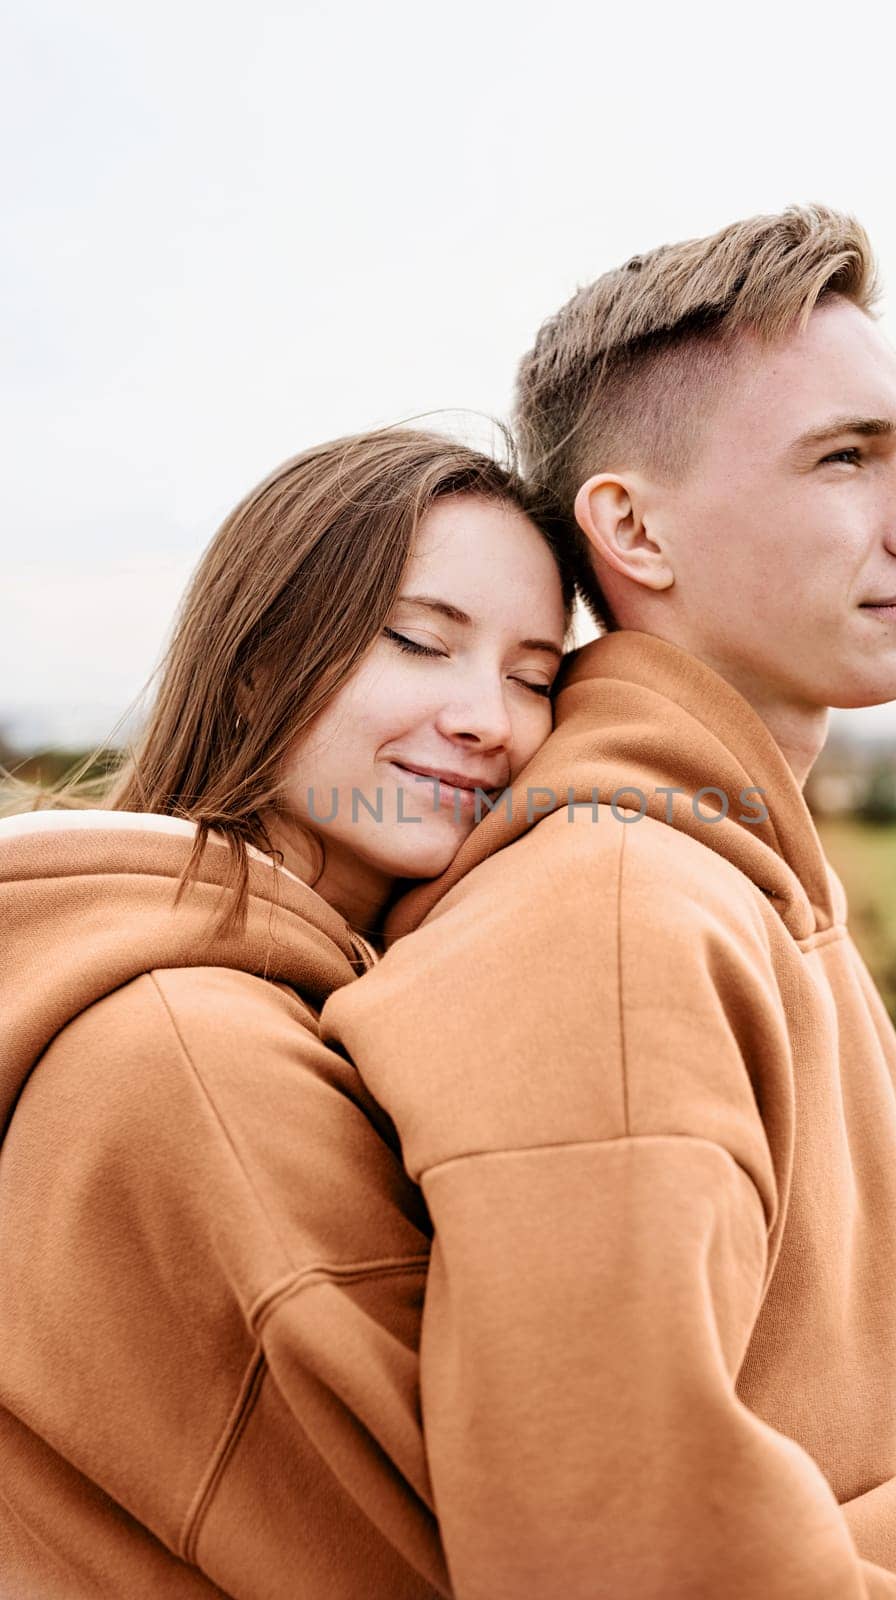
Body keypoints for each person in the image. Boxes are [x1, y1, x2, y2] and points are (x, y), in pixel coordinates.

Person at [321, 210, 896, 1598]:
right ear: (634, 530)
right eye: (844, 459)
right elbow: (616, 1566)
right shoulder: (614, 922)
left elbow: (817, 1423)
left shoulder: (733, 875)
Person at [0, 427, 573, 1597]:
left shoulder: (287, 991)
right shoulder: (199, 1057)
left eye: (535, 675)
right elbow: (528, 1558)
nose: (490, 720)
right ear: (259, 661)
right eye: (420, 641)